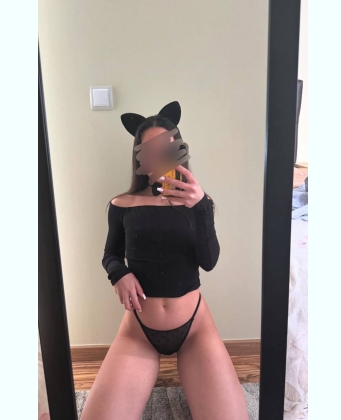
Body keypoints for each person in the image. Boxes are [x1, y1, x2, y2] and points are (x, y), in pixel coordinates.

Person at [80, 102, 249, 420]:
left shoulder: (198, 203)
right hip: (139, 331)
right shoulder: (122, 204)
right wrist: (119, 274)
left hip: (195, 327)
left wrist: (200, 206)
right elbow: (110, 255)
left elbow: (209, 261)